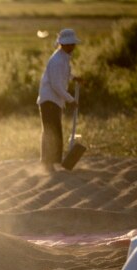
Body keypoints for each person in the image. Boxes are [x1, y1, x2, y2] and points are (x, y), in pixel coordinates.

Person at [37, 28, 82, 173]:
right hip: (49, 100)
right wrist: (70, 99)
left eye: (73, 44)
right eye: (70, 44)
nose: (73, 47)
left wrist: (73, 77)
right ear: (62, 44)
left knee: (54, 131)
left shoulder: (63, 58)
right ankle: (47, 164)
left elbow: (64, 74)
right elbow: (56, 84)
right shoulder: (57, 60)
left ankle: (52, 163)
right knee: (51, 131)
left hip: (55, 101)